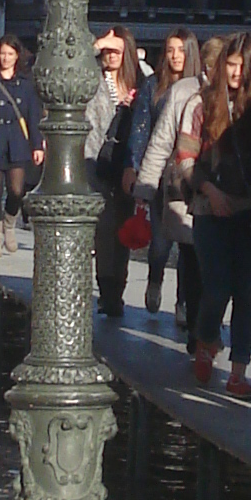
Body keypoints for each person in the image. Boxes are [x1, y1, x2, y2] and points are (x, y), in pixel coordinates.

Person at [187, 32, 251, 395]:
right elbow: (185, 159)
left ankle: (239, 370)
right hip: (211, 206)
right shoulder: (203, 104)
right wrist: (208, 189)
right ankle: (206, 338)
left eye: (242, 66)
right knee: (217, 285)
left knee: (247, 291)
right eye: (231, 64)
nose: (235, 72)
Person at [133, 28, 203, 327]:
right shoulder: (153, 86)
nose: (175, 56)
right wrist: (140, 174)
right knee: (161, 245)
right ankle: (155, 278)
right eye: (170, 49)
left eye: (181, 50)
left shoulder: (201, 87)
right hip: (163, 176)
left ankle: (184, 303)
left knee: (189, 247)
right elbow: (144, 130)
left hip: (190, 178)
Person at [84, 26, 150, 320]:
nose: (110, 57)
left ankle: (117, 291)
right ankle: (106, 292)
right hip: (95, 161)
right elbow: (71, 63)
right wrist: (97, 43)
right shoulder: (93, 78)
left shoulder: (141, 81)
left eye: (116, 52)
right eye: (107, 52)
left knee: (122, 231)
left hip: (127, 164)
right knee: (104, 229)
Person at [0, 36, 44, 254]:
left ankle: (9, 224)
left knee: (16, 191)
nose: (5, 58)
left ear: (17, 56)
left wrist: (37, 145)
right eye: (2, 53)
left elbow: (33, 115)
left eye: (10, 54)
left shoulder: (26, 83)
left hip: (18, 142)